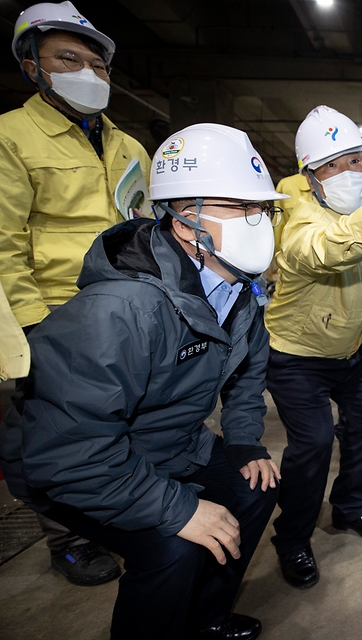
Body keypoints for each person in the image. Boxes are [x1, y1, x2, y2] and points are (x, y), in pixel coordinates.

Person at [0, 123, 286, 640]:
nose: (257, 222)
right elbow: (68, 450)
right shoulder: (119, 311)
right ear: (184, 222)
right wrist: (178, 508)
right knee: (173, 546)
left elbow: (248, 371)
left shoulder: (236, 286)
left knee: (254, 490)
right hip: (70, 462)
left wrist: (243, 439)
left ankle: (206, 620)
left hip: (163, 443)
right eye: (238, 206)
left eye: (262, 208)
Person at [0, 1, 152, 586]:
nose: (89, 73)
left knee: (125, 425)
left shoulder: (130, 148)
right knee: (53, 436)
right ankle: (68, 538)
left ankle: (127, 515)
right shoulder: (13, 139)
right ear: (32, 66)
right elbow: (6, 243)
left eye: (99, 64)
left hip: (123, 310)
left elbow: (140, 233)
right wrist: (34, 329)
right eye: (69, 58)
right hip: (54, 312)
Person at [265, 105, 362, 589]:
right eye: (333, 164)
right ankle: (291, 538)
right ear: (310, 176)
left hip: (351, 350)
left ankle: (350, 507)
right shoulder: (294, 213)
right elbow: (318, 251)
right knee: (312, 442)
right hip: (296, 354)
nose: (350, 171)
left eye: (357, 160)